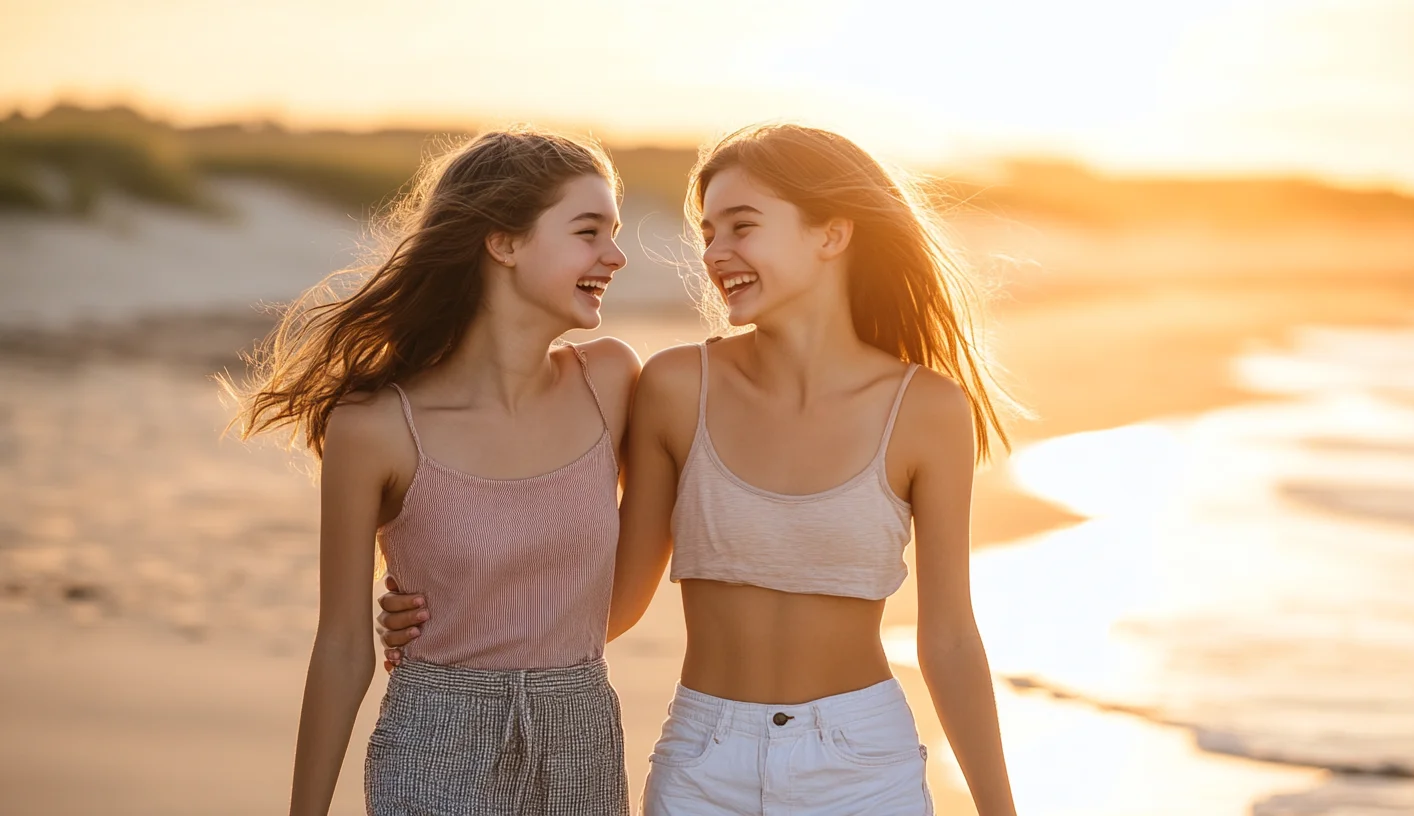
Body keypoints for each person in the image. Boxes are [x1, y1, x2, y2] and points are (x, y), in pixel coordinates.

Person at [380, 124, 1020, 815]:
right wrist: (454, 608)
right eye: (709, 232)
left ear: (831, 235)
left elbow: (950, 636)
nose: (715, 254)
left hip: (865, 764)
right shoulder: (677, 388)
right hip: (704, 764)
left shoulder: (926, 410)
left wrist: (998, 809)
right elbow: (602, 604)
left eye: (741, 227)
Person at [230, 127, 639, 816]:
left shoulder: (615, 382)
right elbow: (340, 647)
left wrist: (493, 617)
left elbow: (620, 591)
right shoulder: (375, 428)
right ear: (503, 242)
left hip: (584, 749)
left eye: (613, 231)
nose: (616, 255)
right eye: (588, 231)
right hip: (435, 745)